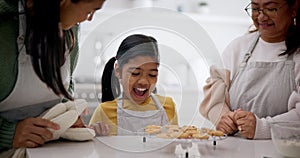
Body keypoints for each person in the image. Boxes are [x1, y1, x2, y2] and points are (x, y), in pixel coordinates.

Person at [0, 0, 106, 154]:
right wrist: (8, 134)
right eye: (90, 11)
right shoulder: (5, 25)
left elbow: (65, 84)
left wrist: (67, 115)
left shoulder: (70, 29)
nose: (88, 18)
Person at [200, 0, 300, 139]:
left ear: (294, 8)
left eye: (271, 8)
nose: (261, 17)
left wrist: (263, 127)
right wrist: (222, 117)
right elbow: (214, 95)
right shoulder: (238, 47)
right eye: (255, 8)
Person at [89, 34, 178, 136]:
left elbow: (172, 147)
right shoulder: (104, 112)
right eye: (135, 73)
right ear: (118, 71)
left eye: (152, 75)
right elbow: (90, 150)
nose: (143, 81)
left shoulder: (168, 106)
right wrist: (97, 139)